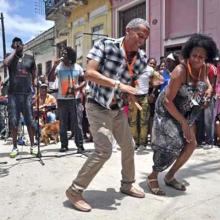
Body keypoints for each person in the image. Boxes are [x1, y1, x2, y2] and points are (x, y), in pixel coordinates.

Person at [65, 18, 150, 212]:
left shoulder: (142, 58)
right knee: (104, 150)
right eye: (139, 35)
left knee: (129, 145)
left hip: (117, 109)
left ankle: (127, 183)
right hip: (97, 105)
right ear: (128, 30)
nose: (141, 41)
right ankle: (75, 190)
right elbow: (89, 73)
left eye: (144, 38)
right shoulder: (105, 44)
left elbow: (132, 81)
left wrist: (130, 94)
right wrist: (119, 85)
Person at [147, 33, 218, 196]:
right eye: (194, 55)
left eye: (202, 57)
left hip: (186, 109)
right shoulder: (180, 71)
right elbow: (167, 101)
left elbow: (206, 83)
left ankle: (170, 176)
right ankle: (153, 175)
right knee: (172, 143)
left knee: (191, 144)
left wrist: (208, 91)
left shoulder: (205, 68)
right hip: (167, 109)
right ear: (188, 54)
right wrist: (184, 124)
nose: (197, 60)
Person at [3, 37, 37, 158]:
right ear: (12, 46)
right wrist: (14, 51)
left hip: (27, 94)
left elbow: (34, 76)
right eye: (15, 44)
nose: (17, 45)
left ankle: (33, 146)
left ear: (23, 45)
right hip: (13, 95)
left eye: (19, 44)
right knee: (13, 121)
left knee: (30, 121)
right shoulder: (9, 56)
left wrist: (35, 93)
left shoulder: (30, 58)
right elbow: (5, 64)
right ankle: (14, 147)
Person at [53, 46, 85, 153]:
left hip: (75, 100)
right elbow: (50, 79)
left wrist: (79, 88)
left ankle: (80, 145)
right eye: (62, 54)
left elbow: (84, 81)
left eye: (65, 54)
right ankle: (64, 145)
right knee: (63, 123)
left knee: (77, 123)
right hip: (62, 100)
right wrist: (54, 66)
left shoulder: (78, 67)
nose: (63, 56)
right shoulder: (59, 67)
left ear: (71, 56)